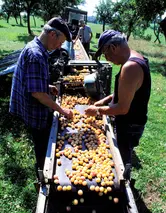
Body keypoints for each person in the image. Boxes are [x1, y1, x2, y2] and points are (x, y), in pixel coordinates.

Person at [9, 17, 73, 181]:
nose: (60, 47)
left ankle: (42, 168)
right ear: (52, 34)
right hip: (34, 112)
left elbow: (32, 81)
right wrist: (62, 110)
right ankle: (43, 175)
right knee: (42, 143)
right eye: (60, 42)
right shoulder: (37, 55)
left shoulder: (35, 47)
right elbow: (37, 94)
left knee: (41, 141)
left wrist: (46, 86)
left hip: (30, 106)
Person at [85, 30, 151, 178]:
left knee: (122, 158)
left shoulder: (130, 67)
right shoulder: (135, 57)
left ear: (113, 48)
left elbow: (122, 108)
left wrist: (97, 111)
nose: (107, 59)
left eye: (105, 54)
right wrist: (104, 101)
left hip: (130, 124)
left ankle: (124, 187)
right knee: (122, 153)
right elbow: (127, 91)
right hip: (133, 120)